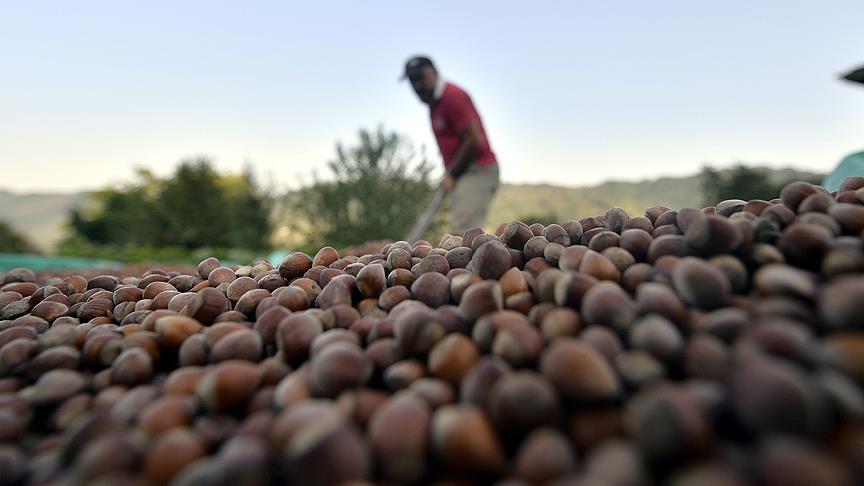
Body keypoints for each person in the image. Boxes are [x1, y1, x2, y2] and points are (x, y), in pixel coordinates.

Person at [402, 55, 500, 236]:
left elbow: (474, 141)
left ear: (434, 72)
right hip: (462, 173)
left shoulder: (452, 96)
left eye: (420, 78)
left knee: (464, 234)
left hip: (477, 170)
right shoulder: (435, 105)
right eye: (412, 80)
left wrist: (452, 174)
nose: (417, 85)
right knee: (460, 232)